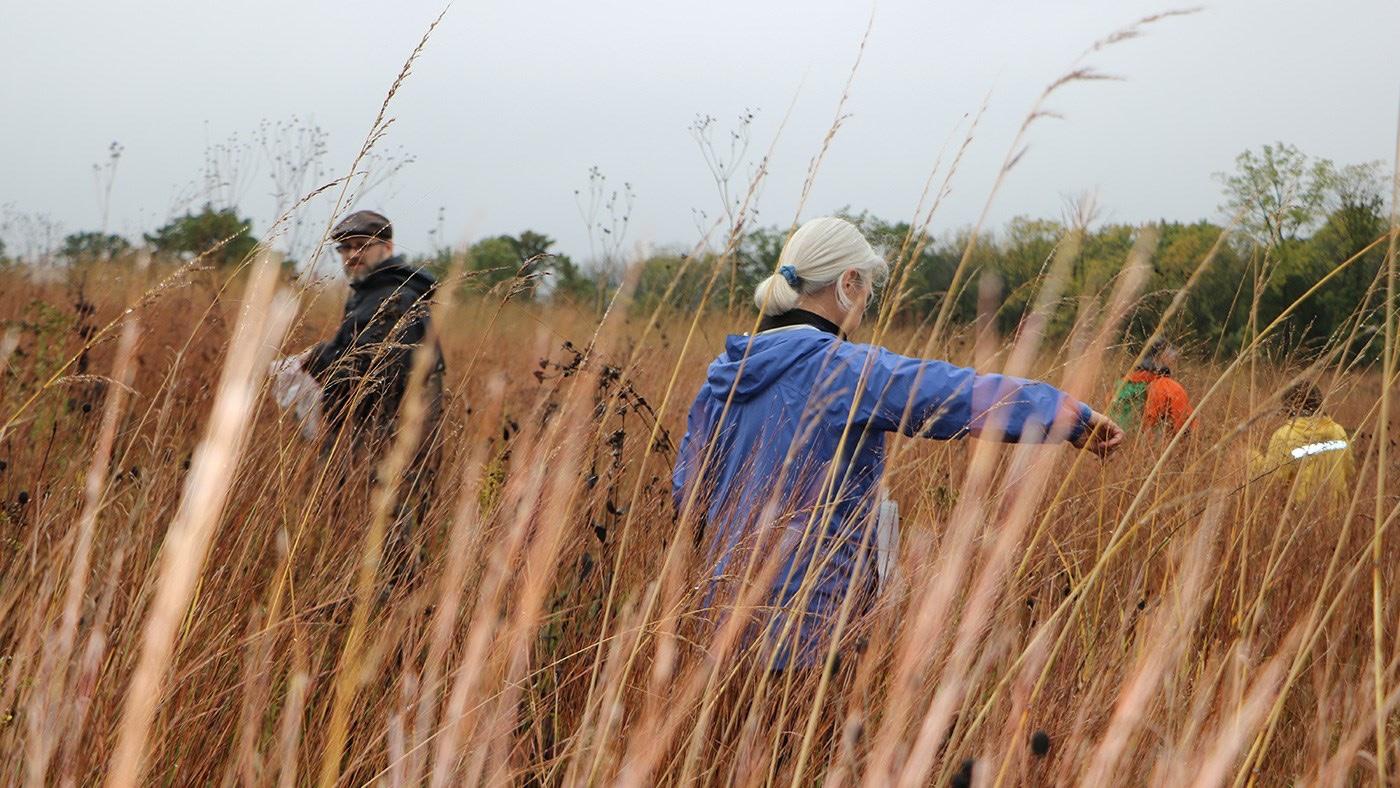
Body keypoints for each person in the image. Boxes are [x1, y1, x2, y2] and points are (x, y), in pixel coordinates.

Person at [672, 216, 1124, 671]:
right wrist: (1066, 413)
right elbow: (955, 394)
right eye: (867, 288)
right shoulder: (842, 370)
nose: (866, 304)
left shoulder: (721, 379)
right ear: (848, 282)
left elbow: (688, 497)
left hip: (722, 626)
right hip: (809, 630)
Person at [275, 210, 446, 585]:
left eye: (362, 247)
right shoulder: (372, 293)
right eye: (345, 249)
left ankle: (395, 608)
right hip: (369, 433)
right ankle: (366, 596)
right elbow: (357, 352)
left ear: (387, 247)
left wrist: (316, 360)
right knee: (366, 527)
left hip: (384, 436)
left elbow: (376, 373)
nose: (352, 256)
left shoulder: (395, 296)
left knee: (386, 528)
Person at [1250, 381, 1354, 508]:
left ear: (1288, 406)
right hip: (1337, 513)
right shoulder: (1339, 431)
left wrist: (1253, 460)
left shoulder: (1284, 436)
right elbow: (1349, 472)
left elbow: (1272, 481)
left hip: (1298, 514)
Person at [1108, 339, 1193, 433]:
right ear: (1160, 357)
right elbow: (1183, 426)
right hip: (1152, 444)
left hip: (1114, 439)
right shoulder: (1166, 386)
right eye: (1172, 357)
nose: (1175, 361)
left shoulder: (1121, 384)